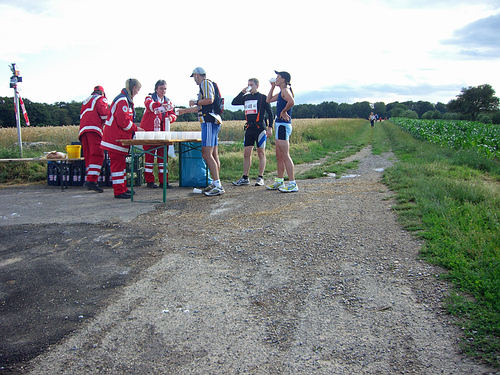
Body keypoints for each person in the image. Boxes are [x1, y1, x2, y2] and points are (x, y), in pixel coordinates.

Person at [177, 67, 224, 196]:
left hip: (208, 121)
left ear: (198, 75)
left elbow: (210, 100)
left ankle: (217, 184)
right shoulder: (208, 84)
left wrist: (195, 101)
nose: (194, 80)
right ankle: (216, 183)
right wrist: (185, 111)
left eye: (194, 77)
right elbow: (202, 106)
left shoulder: (205, 83)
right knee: (213, 154)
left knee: (206, 153)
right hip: (213, 121)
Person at [101, 79, 144, 199]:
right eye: (137, 90)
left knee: (120, 166)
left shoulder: (125, 100)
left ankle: (123, 188)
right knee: (118, 167)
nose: (137, 92)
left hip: (118, 139)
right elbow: (123, 122)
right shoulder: (122, 100)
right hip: (115, 140)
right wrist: (136, 129)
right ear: (133, 88)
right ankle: (119, 191)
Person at [231, 78, 273, 187]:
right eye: (248, 84)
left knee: (261, 152)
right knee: (246, 153)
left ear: (257, 86)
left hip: (260, 128)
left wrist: (270, 127)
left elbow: (270, 113)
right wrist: (242, 92)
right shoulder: (246, 97)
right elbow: (234, 102)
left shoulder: (263, 97)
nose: (249, 87)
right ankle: (245, 177)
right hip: (249, 128)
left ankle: (260, 177)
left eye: (251, 85)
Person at [140, 80, 177, 189]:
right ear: (156, 89)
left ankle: (164, 181)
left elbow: (173, 114)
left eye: (165, 89)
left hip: (163, 133)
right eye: (161, 88)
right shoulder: (149, 98)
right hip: (150, 132)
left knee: (163, 159)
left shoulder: (168, 100)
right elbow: (151, 106)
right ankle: (149, 181)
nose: (163, 91)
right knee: (149, 158)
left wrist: (171, 118)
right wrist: (163, 106)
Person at [266, 70, 297, 193]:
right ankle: (279, 181)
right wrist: (272, 87)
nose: (276, 79)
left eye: (277, 77)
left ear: (283, 79)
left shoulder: (285, 90)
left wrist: (284, 111)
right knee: (279, 156)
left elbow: (292, 102)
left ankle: (292, 183)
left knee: (285, 155)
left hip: (283, 125)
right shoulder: (280, 92)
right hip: (279, 125)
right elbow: (268, 100)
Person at [79, 85, 110, 193]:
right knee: (97, 154)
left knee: (88, 156)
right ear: (102, 93)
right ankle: (92, 181)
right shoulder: (101, 99)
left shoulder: (85, 101)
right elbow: (104, 114)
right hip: (94, 129)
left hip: (83, 131)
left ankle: (89, 178)